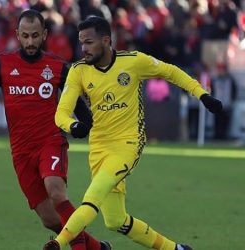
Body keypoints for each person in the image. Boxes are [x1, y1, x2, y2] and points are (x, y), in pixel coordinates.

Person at [44, 16, 222, 250]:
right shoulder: (78, 71)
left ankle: (58, 243)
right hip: (98, 148)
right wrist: (73, 126)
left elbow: (172, 72)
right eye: (81, 43)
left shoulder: (134, 62)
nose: (83, 49)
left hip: (128, 144)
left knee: (93, 195)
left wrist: (202, 94)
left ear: (106, 40)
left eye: (88, 42)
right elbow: (61, 113)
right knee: (115, 220)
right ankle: (176, 249)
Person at [0, 9, 111, 250]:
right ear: (18, 35)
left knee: (57, 193)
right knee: (50, 219)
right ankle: (97, 248)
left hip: (50, 141)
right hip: (20, 151)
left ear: (44, 35)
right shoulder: (3, 64)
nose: (30, 42)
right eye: (26, 36)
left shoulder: (58, 67)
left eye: (35, 36)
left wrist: (83, 125)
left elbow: (81, 107)